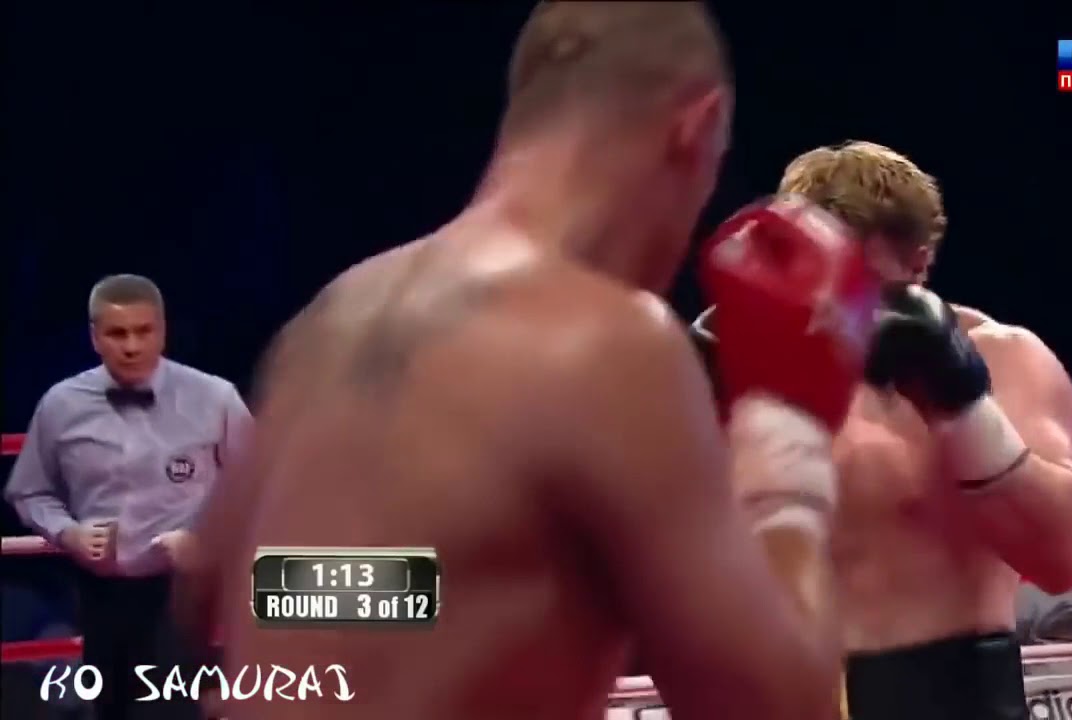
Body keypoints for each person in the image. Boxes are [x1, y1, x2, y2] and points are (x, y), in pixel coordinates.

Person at [182, 3, 855, 719]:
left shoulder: (327, 323)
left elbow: (201, 584)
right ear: (696, 127)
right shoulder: (608, 344)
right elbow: (778, 709)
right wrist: (790, 430)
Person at [697, 141, 1072, 719]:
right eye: (812, 272)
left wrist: (959, 403)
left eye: (856, 281)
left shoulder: (1002, 358)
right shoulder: (747, 368)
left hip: (952, 697)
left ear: (918, 265)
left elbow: (1064, 557)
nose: (829, 302)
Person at [4, 273, 251, 720]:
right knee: (110, 712)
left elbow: (253, 483)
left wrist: (207, 539)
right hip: (98, 595)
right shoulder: (61, 404)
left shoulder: (214, 398)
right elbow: (29, 491)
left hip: (183, 592)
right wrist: (68, 533)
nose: (132, 346)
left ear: (163, 330)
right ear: (95, 337)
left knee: (172, 713)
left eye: (144, 331)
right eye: (118, 333)